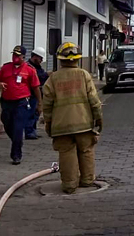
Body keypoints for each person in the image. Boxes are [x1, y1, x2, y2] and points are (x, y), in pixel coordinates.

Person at [42, 43, 103, 194]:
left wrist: (48, 123)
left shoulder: (53, 79)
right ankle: (87, 180)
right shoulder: (84, 75)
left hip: (61, 126)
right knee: (86, 151)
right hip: (83, 124)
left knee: (66, 154)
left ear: (60, 60)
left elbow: (47, 105)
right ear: (77, 59)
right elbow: (94, 101)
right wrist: (98, 118)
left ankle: (69, 185)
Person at [0, 45, 41, 165]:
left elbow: (36, 88)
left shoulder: (30, 70)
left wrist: (40, 103)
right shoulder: (6, 68)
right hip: (6, 102)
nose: (15, 57)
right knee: (7, 124)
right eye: (14, 54)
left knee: (18, 128)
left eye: (18, 55)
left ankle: (16, 155)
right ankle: (16, 140)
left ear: (23, 56)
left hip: (21, 103)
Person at [25, 47, 48, 140]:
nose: (41, 61)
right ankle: (29, 132)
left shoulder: (38, 67)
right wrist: (47, 75)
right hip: (31, 94)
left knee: (36, 113)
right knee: (31, 113)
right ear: (35, 57)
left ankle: (33, 130)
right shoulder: (29, 67)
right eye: (40, 58)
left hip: (37, 93)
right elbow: (37, 78)